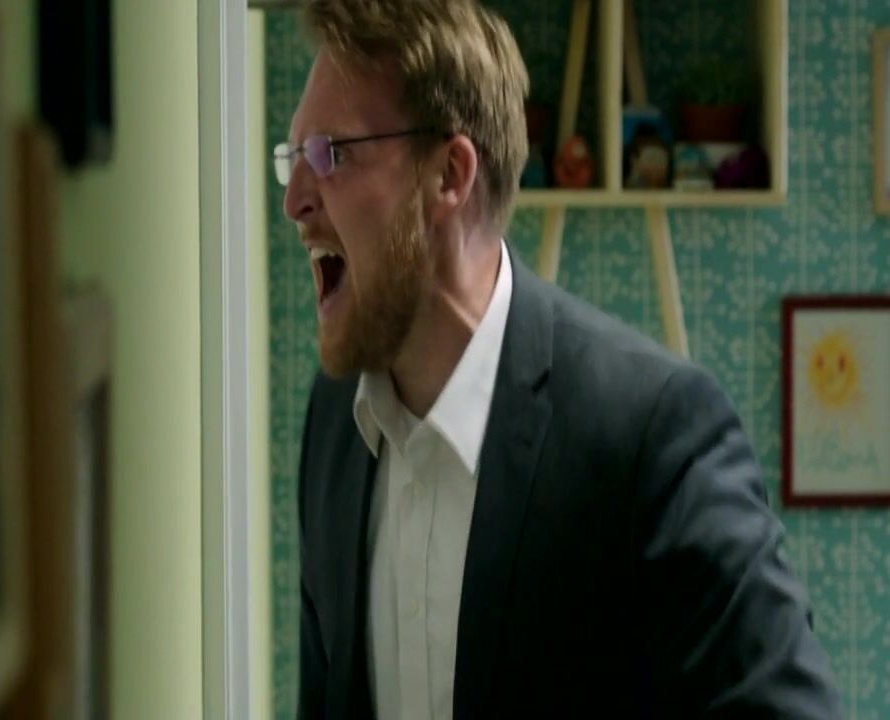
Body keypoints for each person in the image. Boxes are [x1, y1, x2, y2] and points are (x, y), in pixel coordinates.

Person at [278, 1, 843, 717]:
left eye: (331, 154)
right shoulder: (336, 421)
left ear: (449, 174)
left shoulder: (652, 436)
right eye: (292, 159)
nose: (295, 201)